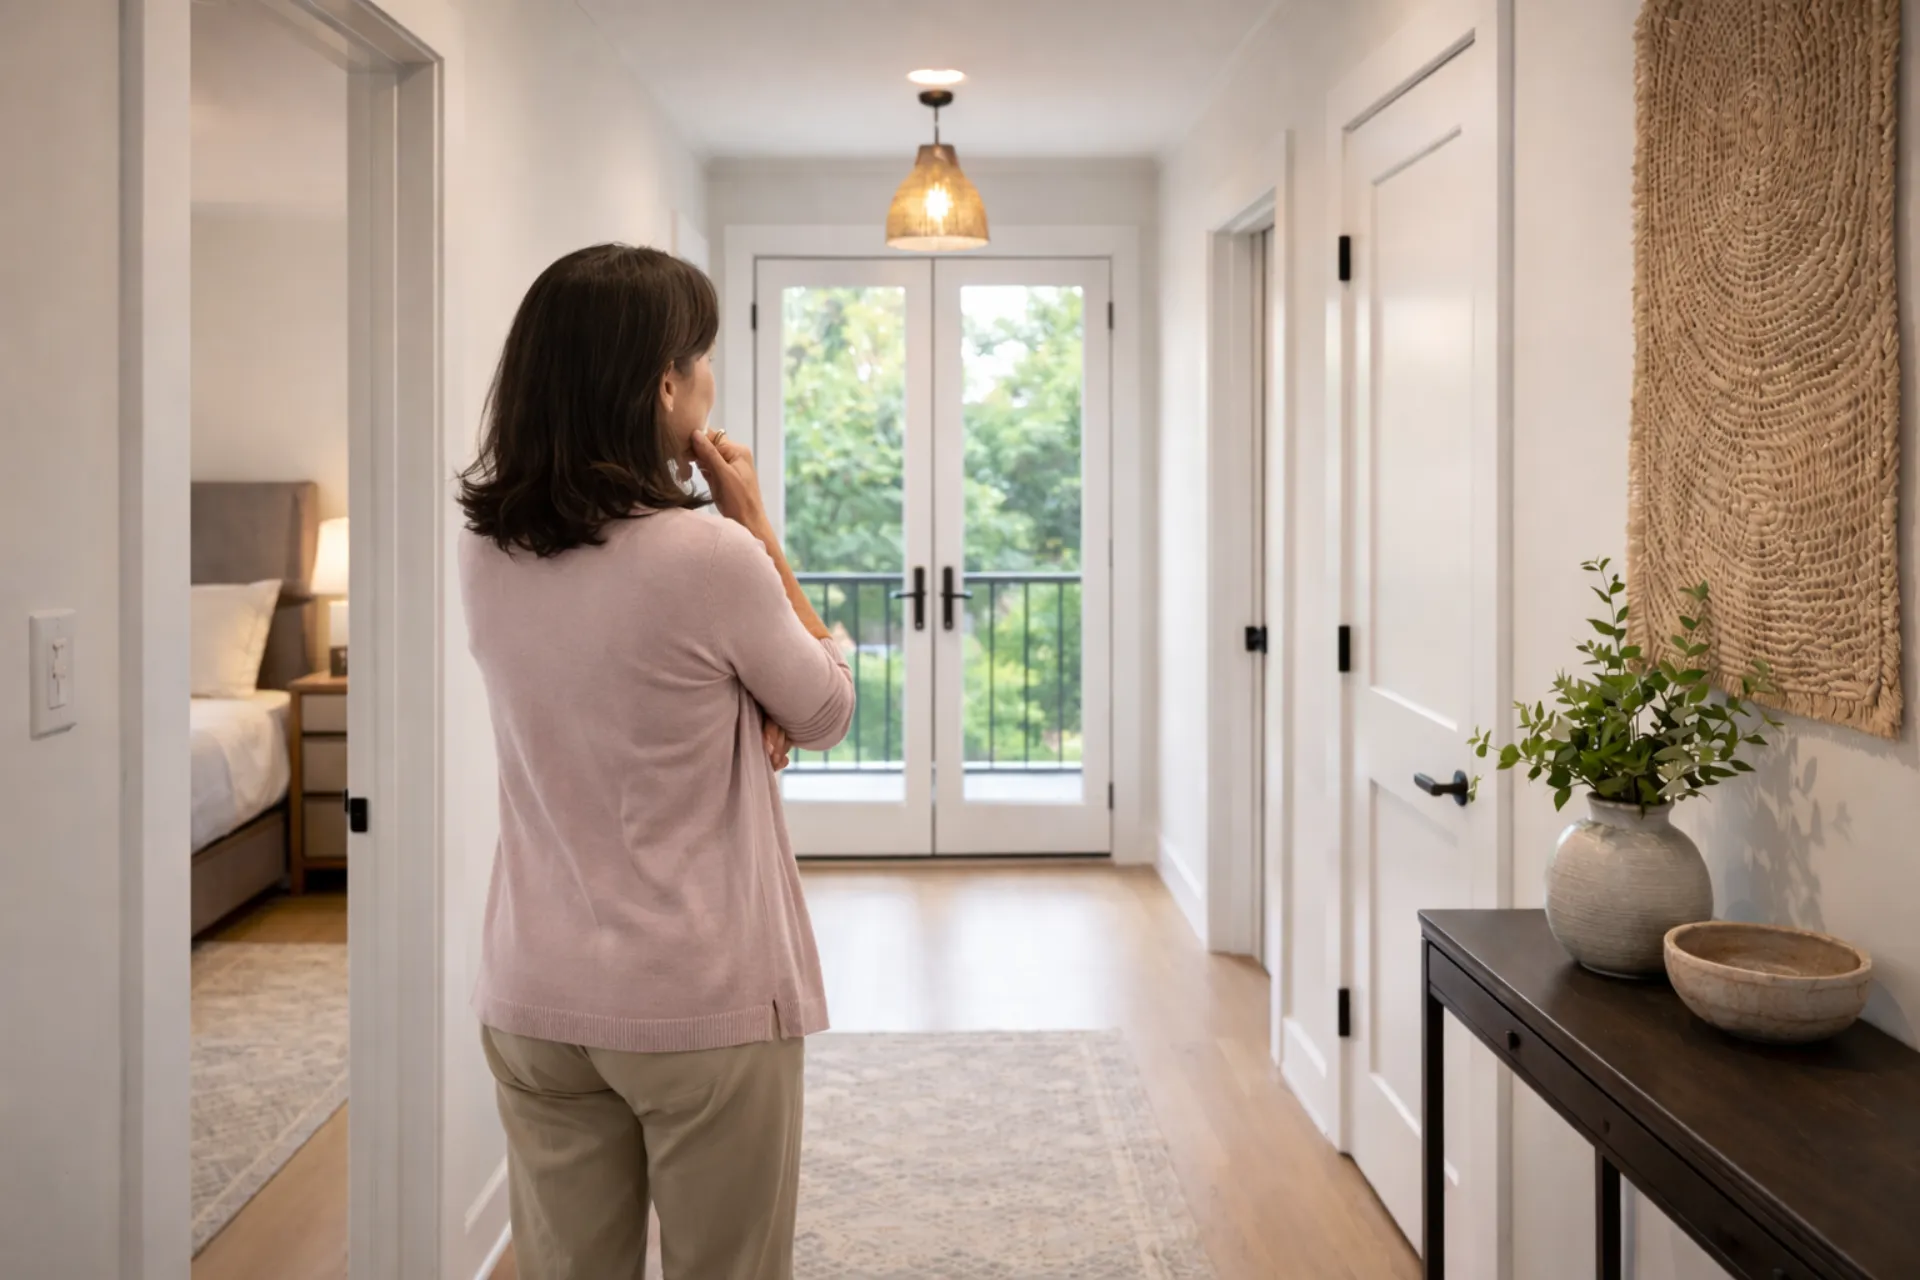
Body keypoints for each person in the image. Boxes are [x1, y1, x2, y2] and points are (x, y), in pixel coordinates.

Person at [454, 243, 854, 1280]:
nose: (710, 379)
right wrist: (756, 526)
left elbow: (614, 692)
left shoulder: (487, 551)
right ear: (664, 384)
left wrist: (745, 698)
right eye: (702, 357)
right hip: (698, 998)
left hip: (534, 990)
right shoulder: (709, 556)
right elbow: (823, 708)